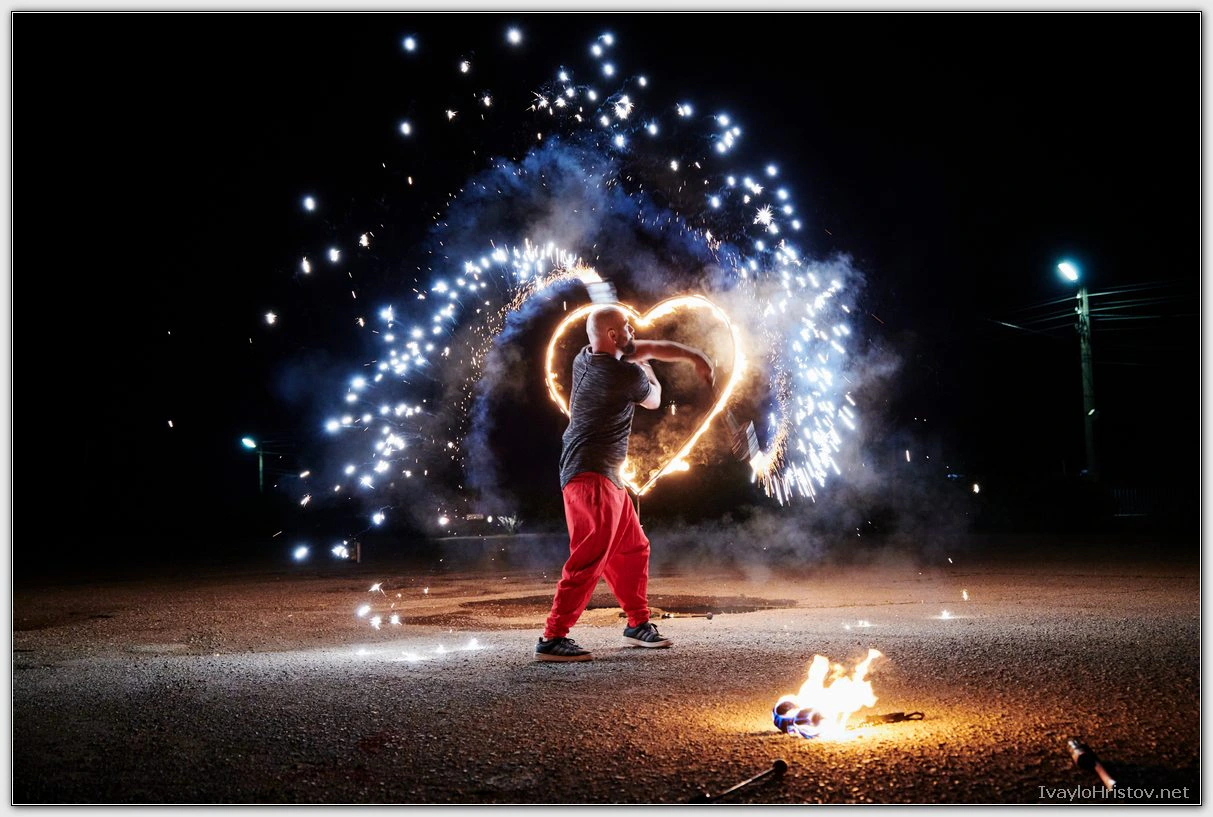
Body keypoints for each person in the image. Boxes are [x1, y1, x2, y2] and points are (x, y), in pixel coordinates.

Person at [535, 305, 715, 662]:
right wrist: (648, 368)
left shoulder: (584, 358)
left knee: (633, 548)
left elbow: (648, 346)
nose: (634, 331)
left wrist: (694, 356)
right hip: (590, 474)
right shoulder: (622, 375)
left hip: (605, 473)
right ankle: (552, 637)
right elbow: (654, 399)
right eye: (628, 328)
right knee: (590, 556)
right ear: (613, 336)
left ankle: (637, 624)